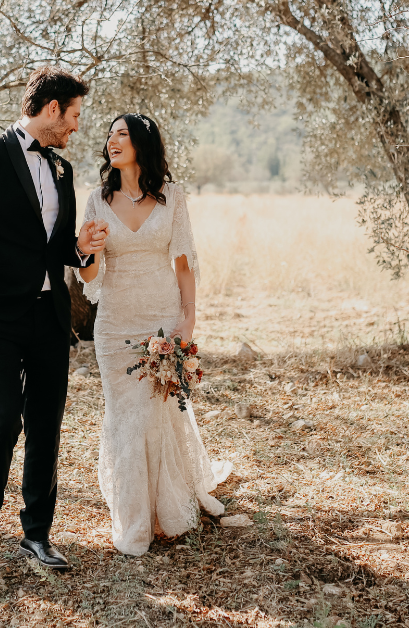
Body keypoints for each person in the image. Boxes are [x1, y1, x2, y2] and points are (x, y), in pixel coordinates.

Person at [0, 66, 110, 582]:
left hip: (49, 316)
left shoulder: (62, 171)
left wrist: (82, 251)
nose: (77, 127)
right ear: (53, 108)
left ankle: (36, 533)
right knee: (3, 421)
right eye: (75, 116)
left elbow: (56, 249)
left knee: (45, 426)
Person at [78, 113, 231, 556]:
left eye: (122, 134)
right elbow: (91, 272)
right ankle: (133, 521)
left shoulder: (172, 197)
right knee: (126, 418)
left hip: (161, 318)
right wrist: (86, 248)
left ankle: (170, 505)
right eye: (109, 135)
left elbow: (183, 262)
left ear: (143, 143)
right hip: (115, 324)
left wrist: (188, 318)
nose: (112, 141)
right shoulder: (97, 200)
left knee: (158, 414)